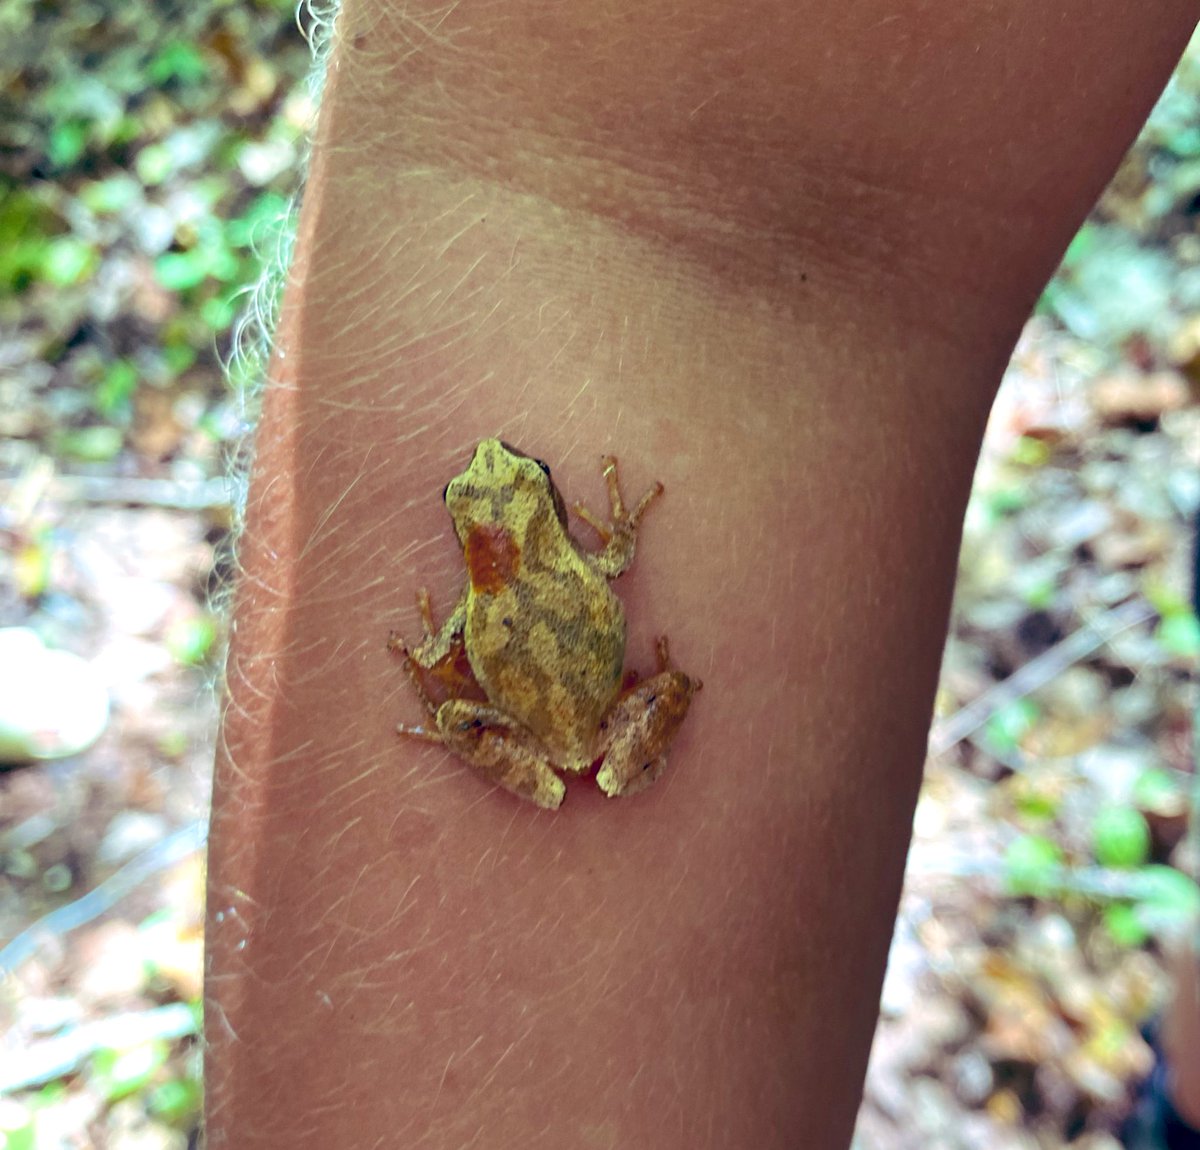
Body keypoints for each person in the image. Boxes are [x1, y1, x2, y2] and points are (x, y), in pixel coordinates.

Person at [203, 3, 1200, 1146]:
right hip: (600, 707)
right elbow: (693, 232)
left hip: (534, 723)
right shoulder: (572, 550)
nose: (506, 467)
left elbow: (440, 655)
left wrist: (446, 689)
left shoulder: (476, 601)